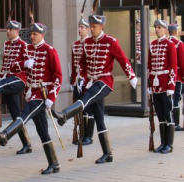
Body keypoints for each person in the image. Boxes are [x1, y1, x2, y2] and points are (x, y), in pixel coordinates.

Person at [52, 15, 138, 164]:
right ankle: (107, 153)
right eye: (90, 26)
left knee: (87, 97)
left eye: (94, 27)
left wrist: (131, 77)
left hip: (104, 81)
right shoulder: (88, 42)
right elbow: (83, 64)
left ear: (101, 26)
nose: (91, 29)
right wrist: (81, 79)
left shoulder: (111, 42)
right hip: (91, 81)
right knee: (99, 118)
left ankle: (65, 114)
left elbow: (123, 59)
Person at [0, 22, 62, 174]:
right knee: (42, 130)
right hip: (31, 92)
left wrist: (52, 96)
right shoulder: (27, 49)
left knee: (25, 114)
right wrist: (24, 63)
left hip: (42, 94)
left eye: (35, 34)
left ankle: (6, 134)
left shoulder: (50, 51)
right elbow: (12, 66)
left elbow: (58, 77)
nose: (31, 37)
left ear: (42, 35)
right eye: (30, 34)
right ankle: (54, 163)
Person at [0, 20, 32, 154]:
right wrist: (1, 75)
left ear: (17, 31)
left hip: (19, 80)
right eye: (7, 29)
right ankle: (26, 144)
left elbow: (29, 65)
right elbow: (5, 64)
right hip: (7, 81)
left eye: (10, 30)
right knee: (16, 115)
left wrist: (30, 87)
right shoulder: (6, 44)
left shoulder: (24, 45)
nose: (7, 31)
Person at [148, 20, 177, 154]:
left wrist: (171, 85)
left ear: (165, 29)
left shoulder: (170, 45)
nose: (157, 29)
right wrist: (149, 85)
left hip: (166, 84)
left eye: (160, 27)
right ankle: (162, 143)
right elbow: (149, 66)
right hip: (155, 85)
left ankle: (169, 144)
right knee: (159, 114)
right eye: (156, 27)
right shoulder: (152, 45)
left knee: (167, 113)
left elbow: (172, 66)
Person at [70, 17, 94, 145]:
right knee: (80, 109)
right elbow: (74, 65)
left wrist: (84, 79)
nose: (79, 29)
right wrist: (73, 80)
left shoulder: (90, 43)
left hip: (87, 81)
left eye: (82, 27)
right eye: (79, 27)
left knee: (89, 109)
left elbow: (90, 65)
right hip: (77, 81)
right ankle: (82, 134)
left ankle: (88, 136)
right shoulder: (75, 44)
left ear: (88, 29)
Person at [168, 23, 184, 131]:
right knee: (176, 99)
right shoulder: (179, 43)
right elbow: (182, 62)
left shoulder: (166, 42)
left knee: (170, 99)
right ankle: (176, 123)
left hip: (167, 76)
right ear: (176, 31)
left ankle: (170, 120)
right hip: (177, 76)